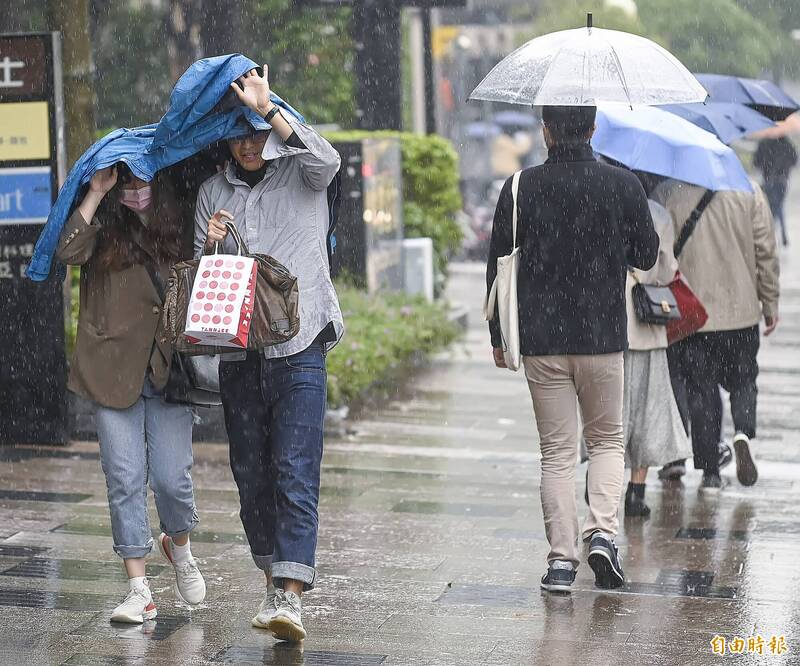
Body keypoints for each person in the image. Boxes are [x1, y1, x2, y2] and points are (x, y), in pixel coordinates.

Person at [194, 66, 342, 642]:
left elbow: (328, 162)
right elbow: (202, 282)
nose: (251, 142)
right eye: (240, 132)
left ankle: (290, 593)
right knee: (251, 475)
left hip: (300, 343)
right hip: (240, 355)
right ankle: (273, 575)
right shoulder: (212, 191)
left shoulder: (303, 176)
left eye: (258, 130)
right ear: (224, 140)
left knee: (295, 469)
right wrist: (211, 243)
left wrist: (270, 107)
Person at [487, 106, 658, 593]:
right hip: (602, 337)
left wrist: (499, 337)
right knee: (606, 442)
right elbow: (647, 255)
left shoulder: (520, 187)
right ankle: (602, 534)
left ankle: (561, 563)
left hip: (542, 340)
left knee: (557, 454)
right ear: (593, 128)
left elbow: (497, 265)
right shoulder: (623, 184)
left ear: (545, 130)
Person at [56, 164, 206, 624]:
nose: (135, 189)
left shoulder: (177, 221)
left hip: (168, 369)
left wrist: (213, 235)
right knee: (124, 479)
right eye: (126, 180)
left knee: (171, 480)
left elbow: (205, 273)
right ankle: (138, 587)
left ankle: (178, 545)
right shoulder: (102, 225)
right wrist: (96, 193)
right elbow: (67, 250)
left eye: (143, 178)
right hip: (111, 367)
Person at [654, 180, 780, 492]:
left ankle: (710, 473)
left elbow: (658, 251)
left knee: (701, 389)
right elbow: (765, 250)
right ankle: (743, 432)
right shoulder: (747, 189)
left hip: (693, 314)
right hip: (741, 310)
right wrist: (770, 302)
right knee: (744, 380)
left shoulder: (670, 191)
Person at [621, 196, 692, 516]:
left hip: (607, 325)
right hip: (647, 325)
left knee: (610, 414)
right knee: (647, 412)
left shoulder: (599, 198)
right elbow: (666, 272)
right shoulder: (658, 213)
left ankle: (598, 485)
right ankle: (636, 493)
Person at [754, 136, 797, 246]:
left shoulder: (763, 143)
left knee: (770, 207)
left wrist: (766, 165)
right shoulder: (786, 143)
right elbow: (794, 160)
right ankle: (781, 233)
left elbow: (756, 162)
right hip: (781, 180)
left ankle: (771, 233)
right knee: (778, 205)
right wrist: (783, 166)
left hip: (768, 179)